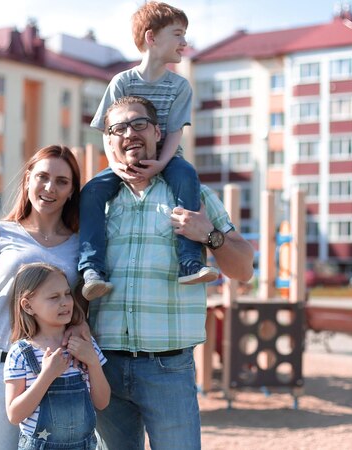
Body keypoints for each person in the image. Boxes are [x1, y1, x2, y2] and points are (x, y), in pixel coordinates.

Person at [87, 95, 254, 450]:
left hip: (169, 368)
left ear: (158, 132)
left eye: (139, 124)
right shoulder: (96, 202)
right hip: (104, 367)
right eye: (118, 128)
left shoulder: (193, 194)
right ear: (109, 139)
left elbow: (244, 269)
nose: (129, 133)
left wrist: (209, 236)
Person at [79, 1, 219, 302]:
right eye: (178, 35)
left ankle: (191, 262)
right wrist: (116, 165)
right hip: (124, 161)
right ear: (151, 38)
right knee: (91, 192)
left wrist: (160, 164)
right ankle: (92, 269)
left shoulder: (180, 86)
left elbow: (174, 133)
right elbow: (108, 130)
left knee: (186, 175)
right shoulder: (122, 81)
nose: (185, 42)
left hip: (166, 157)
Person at [0, 145, 86, 450]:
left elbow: (80, 309)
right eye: (42, 176)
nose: (50, 187)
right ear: (28, 180)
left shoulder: (80, 245)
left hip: (51, 371)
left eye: (62, 181)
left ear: (71, 191)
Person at [4, 262, 110, 450]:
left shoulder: (85, 343)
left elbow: (102, 402)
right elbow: (14, 415)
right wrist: (47, 375)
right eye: (54, 297)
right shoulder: (20, 353)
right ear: (28, 306)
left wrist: (93, 361)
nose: (65, 302)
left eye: (67, 293)